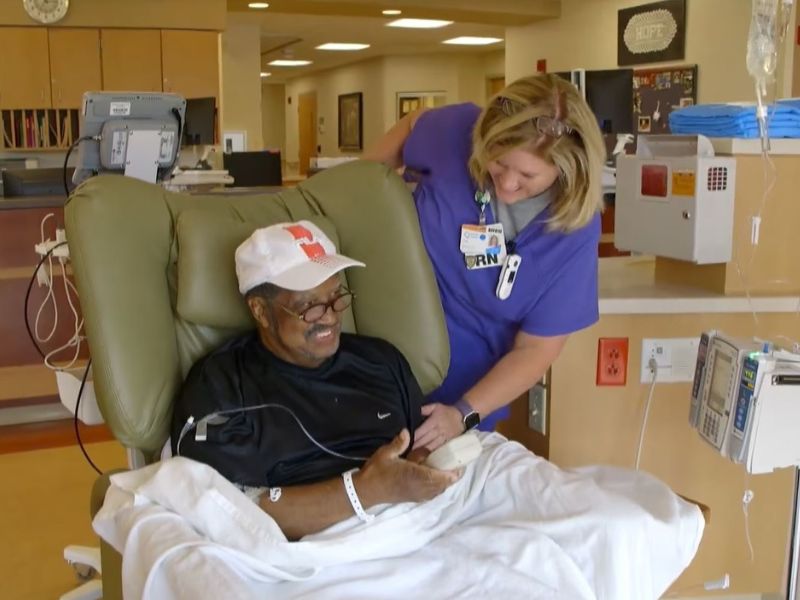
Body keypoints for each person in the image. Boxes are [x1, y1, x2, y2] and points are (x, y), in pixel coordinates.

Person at [171, 221, 459, 541]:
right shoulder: (221, 386)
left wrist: (425, 471)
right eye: (309, 306)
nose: (332, 316)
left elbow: (417, 449)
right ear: (260, 311)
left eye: (336, 296)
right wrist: (365, 491)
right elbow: (231, 512)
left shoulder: (380, 361)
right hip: (307, 553)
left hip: (413, 525)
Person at [364, 74, 606, 450]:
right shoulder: (458, 129)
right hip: (370, 361)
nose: (507, 184)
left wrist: (462, 414)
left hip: (455, 401)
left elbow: (536, 350)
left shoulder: (573, 232)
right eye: (498, 162)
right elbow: (414, 125)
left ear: (567, 169)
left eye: (527, 175)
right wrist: (359, 179)